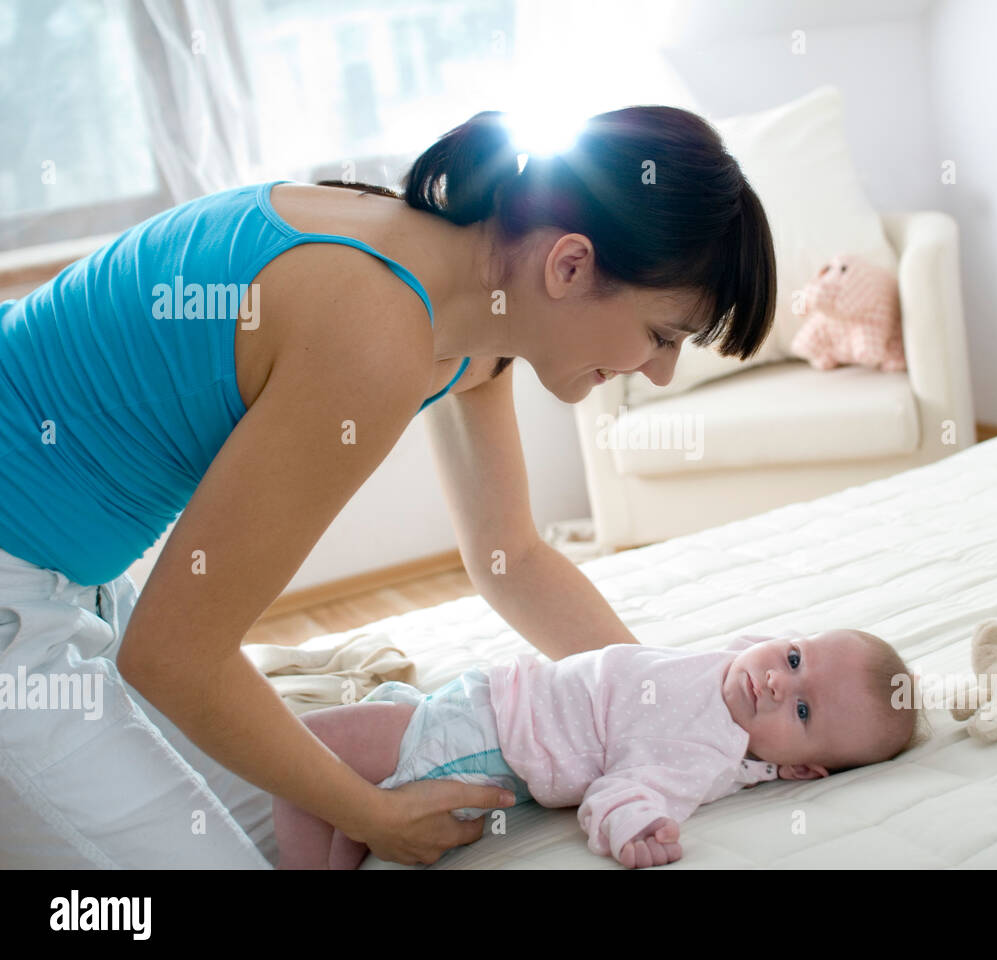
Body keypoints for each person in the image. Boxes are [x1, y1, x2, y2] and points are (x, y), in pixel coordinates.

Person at [0, 106, 777, 868]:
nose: (663, 370)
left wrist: (668, 703)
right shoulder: (374, 324)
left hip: (75, 583)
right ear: (569, 265)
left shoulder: (473, 307)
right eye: (664, 335)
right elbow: (172, 656)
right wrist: (374, 815)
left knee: (280, 829)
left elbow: (510, 557)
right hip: (19, 589)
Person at [272, 630, 923, 869]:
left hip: (477, 738)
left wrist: (637, 831)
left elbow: (621, 792)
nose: (779, 681)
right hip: (486, 701)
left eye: (803, 709)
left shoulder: (702, 751)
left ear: (799, 769)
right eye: (794, 655)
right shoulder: (741, 672)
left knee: (299, 750)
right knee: (342, 798)